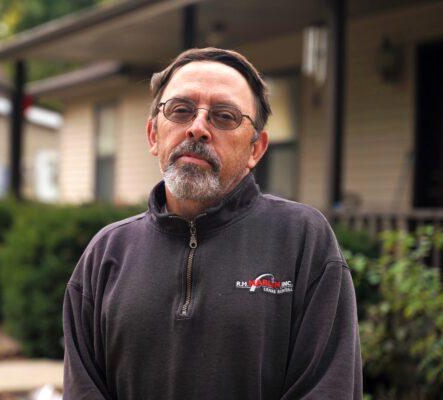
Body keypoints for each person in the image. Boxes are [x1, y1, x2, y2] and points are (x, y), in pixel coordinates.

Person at [63, 47, 362, 400]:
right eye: (180, 110)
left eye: (224, 116)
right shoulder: (106, 254)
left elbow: (328, 390)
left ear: (256, 149)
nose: (198, 128)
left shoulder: (302, 241)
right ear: (153, 135)